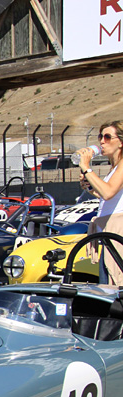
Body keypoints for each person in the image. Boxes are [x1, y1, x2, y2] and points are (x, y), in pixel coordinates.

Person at [78, 120, 123, 285]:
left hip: (118, 230)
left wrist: (86, 167)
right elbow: (107, 195)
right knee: (108, 282)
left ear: (121, 142)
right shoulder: (114, 167)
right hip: (108, 230)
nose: (102, 141)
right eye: (100, 136)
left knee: (116, 282)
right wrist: (90, 186)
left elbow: (109, 192)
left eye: (108, 137)